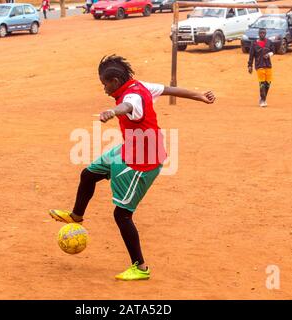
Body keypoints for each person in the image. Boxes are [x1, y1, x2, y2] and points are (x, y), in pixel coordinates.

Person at [49, 55, 215, 281]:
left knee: (122, 214)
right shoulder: (140, 85)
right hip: (129, 148)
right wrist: (199, 95)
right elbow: (168, 89)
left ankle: (140, 267)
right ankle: (76, 215)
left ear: (116, 81)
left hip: (143, 161)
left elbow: (129, 106)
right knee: (88, 174)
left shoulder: (133, 95)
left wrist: (113, 111)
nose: (104, 89)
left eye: (105, 84)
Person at [248, 28, 275, 107]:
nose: (262, 34)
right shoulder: (254, 43)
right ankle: (263, 100)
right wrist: (249, 66)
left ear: (265, 34)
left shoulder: (269, 42)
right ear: (259, 33)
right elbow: (251, 55)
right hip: (259, 65)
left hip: (268, 65)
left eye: (264, 33)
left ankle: (263, 97)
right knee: (262, 83)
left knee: (268, 83)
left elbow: (273, 51)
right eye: (261, 33)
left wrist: (269, 54)